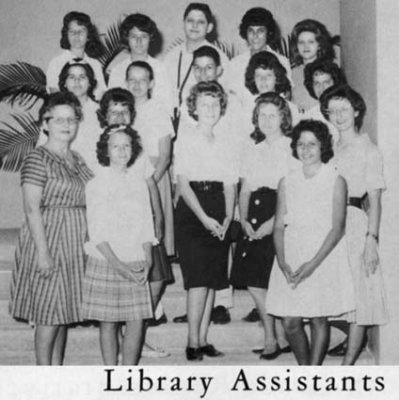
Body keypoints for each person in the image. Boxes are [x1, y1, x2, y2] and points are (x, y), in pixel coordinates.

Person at [9, 92, 93, 365]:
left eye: (71, 119)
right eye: (58, 120)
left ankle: (57, 375)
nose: (66, 125)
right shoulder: (37, 158)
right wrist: (43, 254)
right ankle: (44, 379)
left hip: (74, 242)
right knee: (48, 313)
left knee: (62, 315)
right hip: (49, 238)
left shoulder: (77, 159)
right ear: (44, 124)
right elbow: (32, 209)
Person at [266, 119, 355, 365]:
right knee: (290, 322)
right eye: (301, 144)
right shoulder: (287, 180)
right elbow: (278, 225)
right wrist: (282, 261)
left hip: (323, 254)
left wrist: (313, 264)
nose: (306, 150)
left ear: (322, 147)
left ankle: (312, 376)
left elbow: (337, 229)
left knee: (318, 318)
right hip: (292, 253)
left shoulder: (336, 180)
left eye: (312, 144)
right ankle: (305, 370)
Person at [96, 87, 169, 358]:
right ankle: (119, 343)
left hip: (140, 228)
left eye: (124, 109)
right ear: (104, 115)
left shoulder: (133, 144)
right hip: (110, 234)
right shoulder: (101, 147)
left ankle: (133, 336)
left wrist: (158, 217)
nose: (119, 114)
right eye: (113, 110)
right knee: (111, 303)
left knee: (156, 278)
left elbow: (149, 183)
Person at [320, 85, 389, 365]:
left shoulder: (367, 148)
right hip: (327, 223)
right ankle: (350, 343)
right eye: (333, 110)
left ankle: (348, 365)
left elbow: (374, 199)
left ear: (356, 111)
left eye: (344, 109)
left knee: (360, 293)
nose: (338, 116)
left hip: (354, 222)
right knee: (336, 290)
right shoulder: (331, 146)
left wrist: (371, 239)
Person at [230, 92, 299, 359]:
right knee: (254, 282)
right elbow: (245, 188)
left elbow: (293, 191)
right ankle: (275, 337)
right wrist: (244, 219)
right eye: (262, 115)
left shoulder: (292, 148)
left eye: (273, 115)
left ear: (283, 117)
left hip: (280, 215)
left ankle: (277, 338)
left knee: (272, 280)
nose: (267, 121)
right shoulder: (252, 149)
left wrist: (275, 223)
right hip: (254, 216)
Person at [174, 81, 238, 361]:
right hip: (193, 210)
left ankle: (203, 339)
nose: (210, 109)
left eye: (215, 104)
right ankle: (191, 342)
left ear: (221, 108)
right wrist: (204, 218)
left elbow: (230, 183)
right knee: (198, 279)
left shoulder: (227, 140)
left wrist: (226, 216)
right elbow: (183, 183)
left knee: (213, 278)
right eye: (204, 104)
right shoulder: (186, 138)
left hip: (218, 206)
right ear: (194, 108)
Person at [82, 125, 155, 365]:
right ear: (106, 150)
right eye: (116, 146)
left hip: (135, 259)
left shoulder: (139, 183)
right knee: (109, 322)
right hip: (107, 262)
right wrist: (119, 266)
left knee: (136, 321)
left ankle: (128, 378)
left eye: (127, 145)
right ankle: (111, 377)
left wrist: (148, 257)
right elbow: (97, 233)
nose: (122, 151)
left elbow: (147, 224)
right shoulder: (97, 184)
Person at [164, 2, 229, 129]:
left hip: (205, 125)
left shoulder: (219, 57)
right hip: (174, 124)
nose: (194, 25)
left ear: (209, 27)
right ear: (183, 23)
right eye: (190, 21)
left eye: (200, 22)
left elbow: (224, 100)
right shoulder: (171, 56)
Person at [107, 13, 173, 114]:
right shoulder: (117, 71)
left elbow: (167, 105)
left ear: (150, 38)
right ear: (127, 38)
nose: (139, 41)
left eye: (143, 36)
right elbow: (112, 106)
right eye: (134, 36)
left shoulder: (160, 69)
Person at [224, 7, 291, 103]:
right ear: (245, 33)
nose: (255, 36)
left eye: (260, 31)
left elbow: (286, 96)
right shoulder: (235, 63)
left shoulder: (282, 61)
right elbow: (231, 97)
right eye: (251, 30)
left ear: (268, 33)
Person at [46, 11, 106, 100]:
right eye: (72, 32)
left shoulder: (95, 64)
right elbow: (54, 92)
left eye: (81, 31)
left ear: (89, 36)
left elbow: (101, 93)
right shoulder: (56, 62)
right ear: (66, 35)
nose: (76, 36)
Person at [241, 51, 300, 135]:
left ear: (277, 77)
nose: (263, 80)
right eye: (258, 76)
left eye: (268, 75)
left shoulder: (291, 109)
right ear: (253, 79)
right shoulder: (247, 109)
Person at [290, 19, 335, 112]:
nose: (306, 46)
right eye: (301, 42)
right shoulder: (292, 72)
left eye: (311, 42)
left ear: (319, 45)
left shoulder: (329, 70)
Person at [302, 59, 347, 142]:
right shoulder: (308, 117)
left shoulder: (346, 111)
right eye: (317, 83)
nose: (321, 88)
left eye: (326, 82)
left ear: (335, 83)